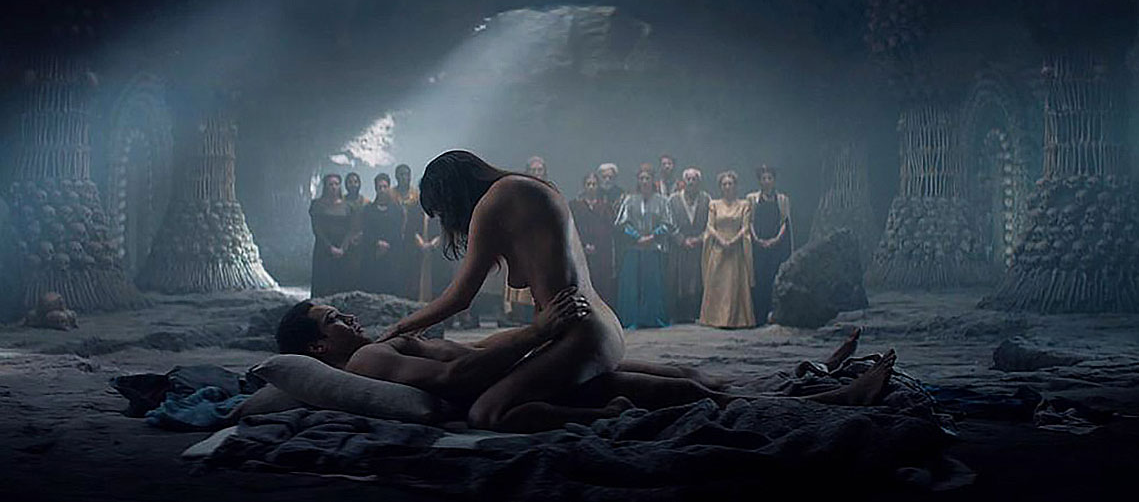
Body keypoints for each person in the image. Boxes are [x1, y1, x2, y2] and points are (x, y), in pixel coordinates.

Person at [276, 300, 897, 432]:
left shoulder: (381, 344)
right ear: (318, 350)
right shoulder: (367, 358)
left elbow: (464, 356)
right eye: (333, 319)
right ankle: (830, 401)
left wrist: (534, 338)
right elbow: (451, 380)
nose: (349, 319)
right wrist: (539, 334)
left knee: (686, 378)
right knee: (691, 394)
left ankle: (807, 378)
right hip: (521, 385)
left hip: (527, 368)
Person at [373, 150, 627, 432]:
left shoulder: (493, 203)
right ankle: (618, 405)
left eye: (443, 213)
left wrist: (401, 326)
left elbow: (460, 297)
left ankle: (609, 416)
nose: (447, 222)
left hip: (581, 336)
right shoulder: (522, 188)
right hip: (596, 327)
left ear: (452, 195)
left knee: (486, 414)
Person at [615, 167, 673, 329]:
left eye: (647, 178)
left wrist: (652, 236)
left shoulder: (662, 201)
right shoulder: (629, 200)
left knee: (652, 285)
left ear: (652, 180)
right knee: (632, 286)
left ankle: (653, 318)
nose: (645, 181)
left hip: (653, 249)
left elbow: (668, 223)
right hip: (634, 249)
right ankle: (632, 319)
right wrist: (636, 236)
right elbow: (621, 223)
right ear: (638, 181)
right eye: (642, 178)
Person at [699, 171, 755, 328]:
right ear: (720, 187)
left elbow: (745, 227)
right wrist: (721, 240)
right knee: (717, 285)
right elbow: (710, 226)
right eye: (724, 184)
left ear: (736, 186)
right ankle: (714, 318)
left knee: (734, 285)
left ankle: (736, 319)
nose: (727, 186)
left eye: (730, 183)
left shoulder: (744, 205)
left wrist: (733, 241)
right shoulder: (714, 204)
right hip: (719, 249)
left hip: (736, 251)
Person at [501, 156, 549, 326]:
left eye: (539, 170)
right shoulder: (520, 189)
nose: (537, 173)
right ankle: (518, 314)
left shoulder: (548, 190)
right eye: (533, 170)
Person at [747, 165, 793, 322]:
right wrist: (757, 240)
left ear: (774, 180)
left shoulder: (782, 199)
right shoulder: (752, 199)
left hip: (776, 247)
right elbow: (749, 221)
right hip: (758, 247)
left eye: (769, 178)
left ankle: (774, 314)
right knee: (759, 279)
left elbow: (784, 222)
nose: (766, 181)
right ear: (759, 181)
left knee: (774, 277)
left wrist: (775, 240)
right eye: (763, 178)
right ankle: (759, 316)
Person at [667, 168, 710, 323]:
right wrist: (682, 240)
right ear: (683, 181)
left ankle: (695, 313)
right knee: (678, 280)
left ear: (699, 182)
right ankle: (678, 314)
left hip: (698, 248)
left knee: (697, 280)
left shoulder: (706, 199)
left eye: (694, 179)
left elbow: (710, 223)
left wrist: (700, 239)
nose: (691, 182)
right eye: (688, 179)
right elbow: (669, 223)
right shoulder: (673, 200)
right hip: (679, 248)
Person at [568, 172, 617, 307]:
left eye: (594, 184)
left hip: (601, 256)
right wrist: (584, 246)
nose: (591, 187)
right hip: (581, 253)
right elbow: (573, 229)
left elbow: (608, 232)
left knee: (601, 287)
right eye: (588, 184)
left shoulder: (605, 207)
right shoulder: (575, 206)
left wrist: (598, 247)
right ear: (584, 186)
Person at [358, 173, 406, 295]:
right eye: (380, 187)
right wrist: (377, 243)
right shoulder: (368, 209)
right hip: (372, 254)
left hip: (392, 254)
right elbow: (366, 230)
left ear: (389, 187)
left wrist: (387, 245)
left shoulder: (397, 209)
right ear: (376, 188)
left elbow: (398, 230)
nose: (382, 190)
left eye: (385, 187)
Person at [308, 174, 355, 297]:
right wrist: (330, 248)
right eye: (331, 184)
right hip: (323, 249)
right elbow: (317, 229)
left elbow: (351, 229)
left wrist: (343, 248)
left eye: (336, 184)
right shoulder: (317, 205)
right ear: (326, 186)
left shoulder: (348, 206)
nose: (334, 187)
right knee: (323, 284)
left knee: (340, 284)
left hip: (342, 250)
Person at [391, 164, 422, 299]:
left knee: (412, 270)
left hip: (412, 238)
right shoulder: (390, 194)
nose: (404, 177)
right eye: (401, 174)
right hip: (394, 238)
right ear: (396, 176)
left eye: (406, 174)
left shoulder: (416, 195)